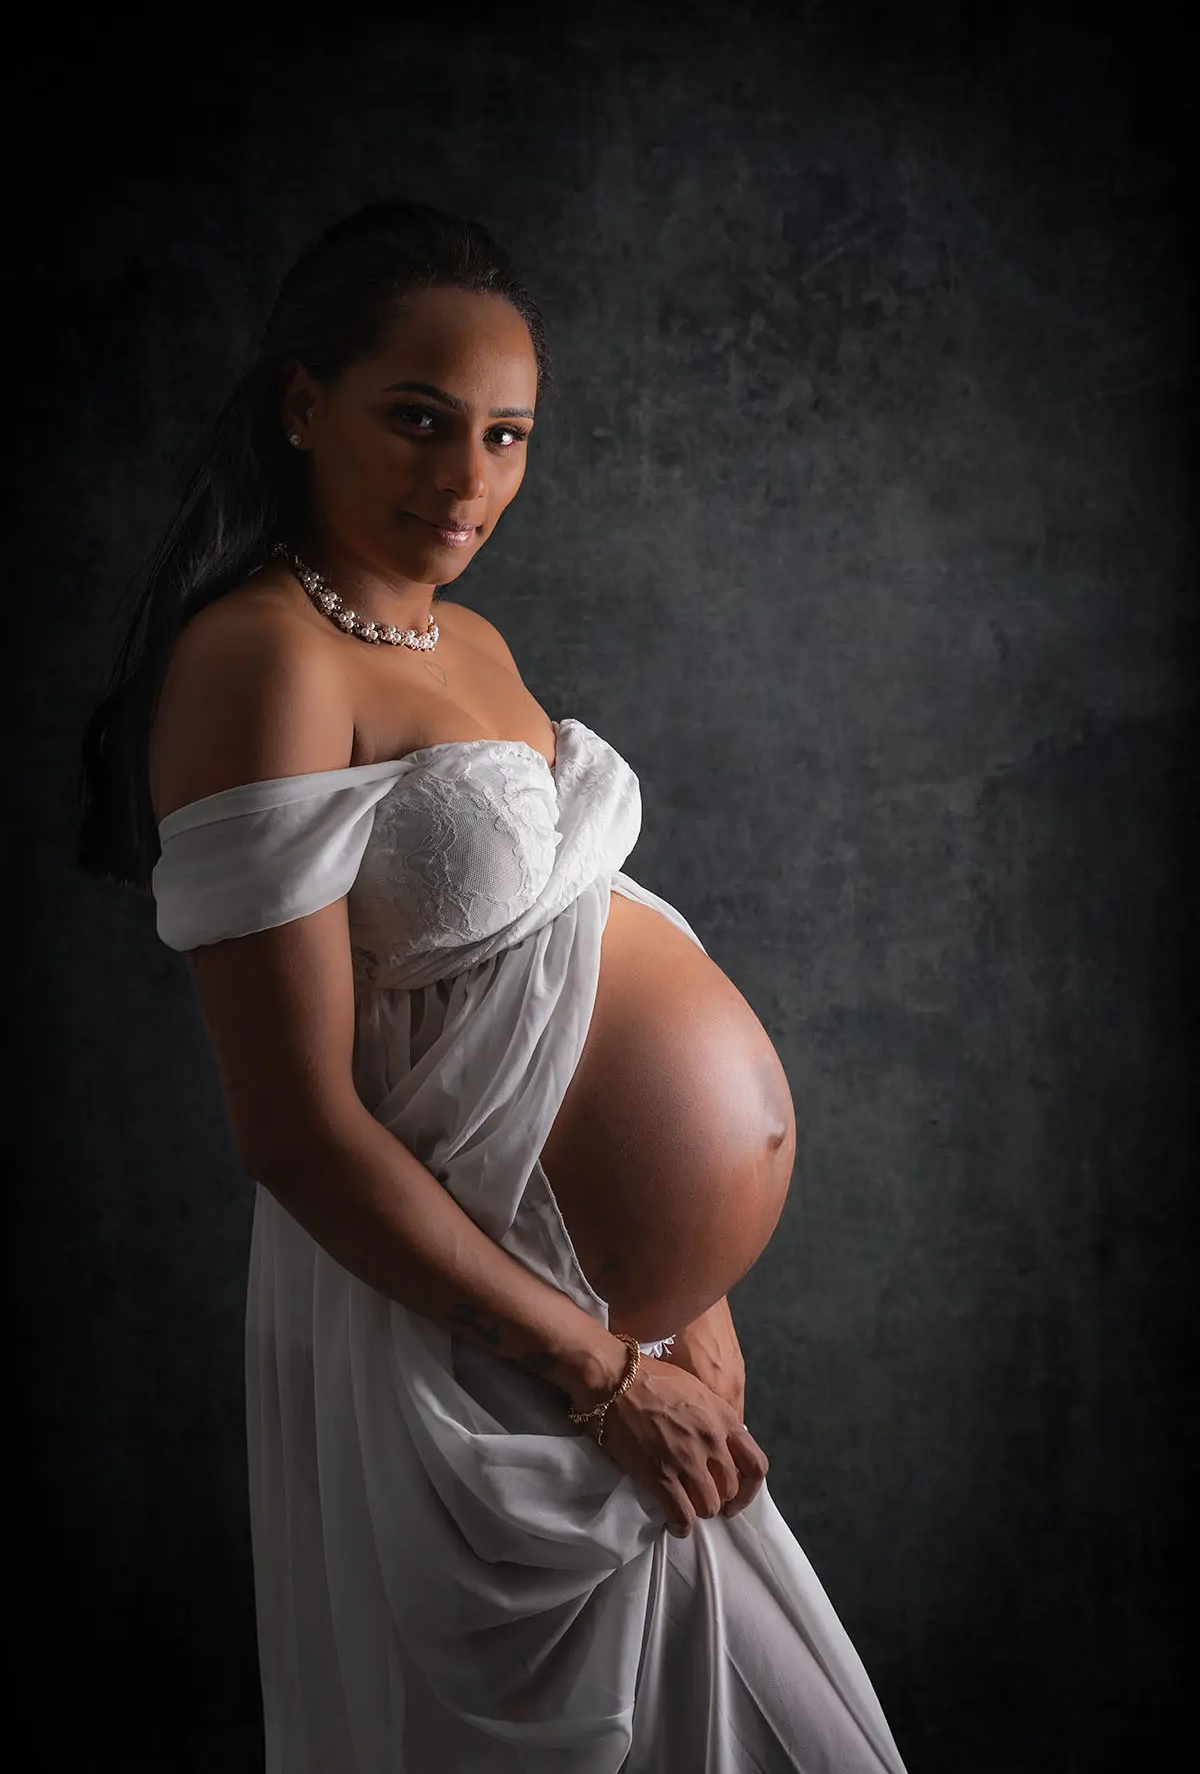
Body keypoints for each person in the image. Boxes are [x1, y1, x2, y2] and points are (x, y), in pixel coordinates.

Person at [78, 201, 910, 1772]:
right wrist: (601, 1378)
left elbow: (556, 960)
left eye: (506, 436)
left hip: (620, 1340)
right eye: (419, 420)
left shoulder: (470, 638)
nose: (467, 480)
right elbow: (298, 1131)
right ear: (304, 404)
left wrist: (691, 1302)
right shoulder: (263, 659)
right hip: (487, 1347)